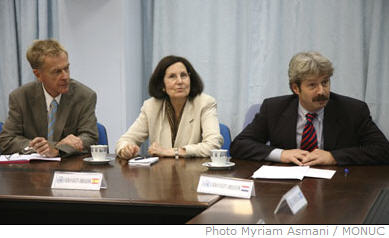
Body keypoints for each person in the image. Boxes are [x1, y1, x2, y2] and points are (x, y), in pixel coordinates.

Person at [231, 51, 389, 165]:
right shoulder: (274, 109)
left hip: (338, 189)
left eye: (325, 82)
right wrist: (281, 154)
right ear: (296, 88)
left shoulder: (353, 110)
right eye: (312, 85)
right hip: (283, 188)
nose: (322, 91)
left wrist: (333, 157)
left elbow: (383, 150)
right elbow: (239, 145)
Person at [0, 39, 98, 157]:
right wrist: (44, 147)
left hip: (69, 169)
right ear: (38, 75)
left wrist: (56, 150)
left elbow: (90, 138)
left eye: (66, 68)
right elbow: (7, 141)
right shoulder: (20, 97)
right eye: (57, 72)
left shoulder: (84, 96)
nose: (65, 76)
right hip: (31, 172)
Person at [116, 55, 223, 159]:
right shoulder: (151, 107)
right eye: (172, 76)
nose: (180, 81)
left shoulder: (205, 103)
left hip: (194, 173)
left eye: (183, 75)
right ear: (162, 85)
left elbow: (213, 144)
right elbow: (126, 140)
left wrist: (172, 152)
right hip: (161, 174)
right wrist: (125, 149)